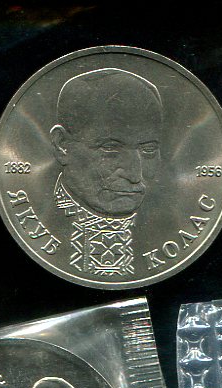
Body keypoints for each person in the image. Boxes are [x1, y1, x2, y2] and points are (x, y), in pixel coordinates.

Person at [49, 68, 163, 278]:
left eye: (148, 150)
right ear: (62, 145)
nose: (134, 175)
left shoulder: (168, 223)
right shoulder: (40, 217)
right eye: (110, 148)